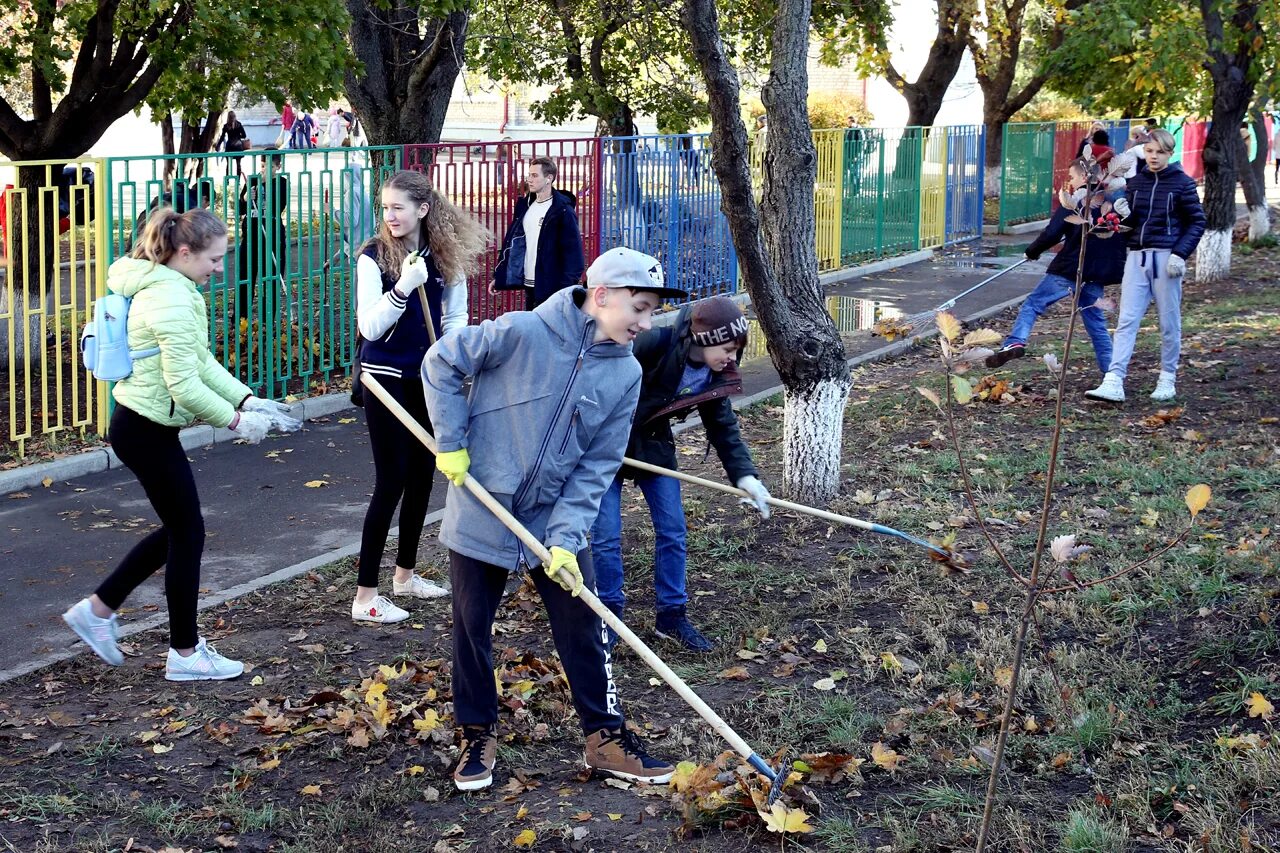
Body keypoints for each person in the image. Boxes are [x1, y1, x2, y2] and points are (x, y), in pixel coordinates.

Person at [423, 246, 688, 792]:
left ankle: (606, 738)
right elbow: (441, 362)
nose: (646, 321)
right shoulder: (521, 331)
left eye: (653, 310)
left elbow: (596, 468)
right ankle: (477, 734)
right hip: (482, 506)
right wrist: (451, 442)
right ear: (602, 296)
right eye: (638, 307)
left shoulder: (626, 375)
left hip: (552, 519)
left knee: (584, 625)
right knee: (471, 628)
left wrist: (566, 539)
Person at [61, 208, 301, 680]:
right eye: (214, 259)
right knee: (187, 533)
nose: (219, 268)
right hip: (144, 430)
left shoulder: (171, 288)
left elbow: (200, 361)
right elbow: (183, 387)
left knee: (179, 531)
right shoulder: (170, 298)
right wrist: (236, 422)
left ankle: (100, 609)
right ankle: (184, 655)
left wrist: (249, 399)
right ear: (184, 252)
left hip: (145, 427)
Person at [590, 296, 771, 652]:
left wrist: (745, 477)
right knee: (606, 537)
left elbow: (724, 428)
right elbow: (593, 378)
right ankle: (608, 620)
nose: (732, 357)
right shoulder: (651, 343)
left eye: (737, 350)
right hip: (603, 447)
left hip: (653, 446)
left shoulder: (713, 374)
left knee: (673, 530)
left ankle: (671, 617)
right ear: (704, 338)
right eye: (728, 347)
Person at [351, 170, 489, 623]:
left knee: (422, 479)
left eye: (398, 207)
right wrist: (404, 287)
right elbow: (370, 327)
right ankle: (365, 596)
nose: (389, 216)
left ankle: (404, 576)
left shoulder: (443, 256)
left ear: (423, 209)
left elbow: (456, 316)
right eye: (385, 208)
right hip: (383, 379)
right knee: (391, 480)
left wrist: (454, 355)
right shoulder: (373, 257)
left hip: (426, 379)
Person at [1087, 128, 1205, 403]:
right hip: (1137, 257)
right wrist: (1123, 218)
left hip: (1166, 259)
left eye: (1160, 152)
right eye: (1149, 151)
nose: (1154, 157)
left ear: (1169, 153)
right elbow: (1130, 226)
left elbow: (1197, 221)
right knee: (1127, 320)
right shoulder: (1137, 182)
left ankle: (1167, 378)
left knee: (1168, 322)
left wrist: (1180, 254)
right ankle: (1113, 380)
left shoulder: (1182, 183)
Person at [985, 160, 1123, 376]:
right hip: (1097, 274)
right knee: (1097, 325)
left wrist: (1032, 251)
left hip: (1069, 268)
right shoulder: (1113, 201)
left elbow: (1053, 232)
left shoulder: (1077, 198)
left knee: (1033, 304)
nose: (1071, 181)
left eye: (1072, 177)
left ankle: (1015, 342)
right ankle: (1112, 376)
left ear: (1085, 177)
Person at [491, 156, 585, 310]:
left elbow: (574, 253)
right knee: (534, 329)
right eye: (529, 175)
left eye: (535, 175)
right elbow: (514, 244)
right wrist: (500, 278)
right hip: (530, 283)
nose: (529, 179)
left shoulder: (562, 210)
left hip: (552, 286)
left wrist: (565, 288)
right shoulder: (525, 206)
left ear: (549, 178)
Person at [236, 149, 290, 329]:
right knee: (246, 276)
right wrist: (245, 198)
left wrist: (264, 186)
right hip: (251, 236)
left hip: (272, 237)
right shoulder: (252, 181)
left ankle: (268, 322)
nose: (264, 169)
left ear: (278, 167)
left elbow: (280, 205)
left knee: (271, 278)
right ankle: (240, 320)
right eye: (262, 165)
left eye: (269, 166)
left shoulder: (281, 183)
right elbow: (239, 209)